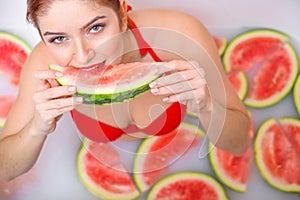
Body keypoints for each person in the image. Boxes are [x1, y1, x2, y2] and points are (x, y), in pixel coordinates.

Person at [0, 0, 250, 181]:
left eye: (95, 28)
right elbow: (4, 169)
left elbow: (239, 145)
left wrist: (206, 104)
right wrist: (37, 128)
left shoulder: (180, 35)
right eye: (58, 39)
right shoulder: (45, 65)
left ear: (121, 12)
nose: (84, 56)